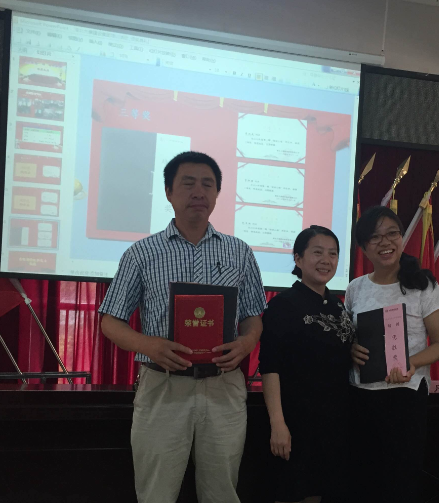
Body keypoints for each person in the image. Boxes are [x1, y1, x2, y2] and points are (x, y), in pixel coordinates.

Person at [99, 151, 267, 503]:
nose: (198, 192)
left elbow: (253, 316)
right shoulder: (141, 253)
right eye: (188, 183)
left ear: (217, 194)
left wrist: (247, 341)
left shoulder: (240, 252)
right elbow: (110, 321)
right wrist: (149, 345)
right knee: (156, 493)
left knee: (222, 492)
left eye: (207, 184)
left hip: (223, 386)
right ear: (168, 192)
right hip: (163, 385)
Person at [348, 206, 439, 503]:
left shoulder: (424, 286)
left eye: (392, 233)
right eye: (375, 237)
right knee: (362, 480)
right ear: (363, 247)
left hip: (405, 395)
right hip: (361, 395)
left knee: (400, 481)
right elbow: (349, 338)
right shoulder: (355, 288)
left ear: (402, 237)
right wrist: (351, 349)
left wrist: (412, 363)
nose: (385, 242)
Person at [259, 225, 355, 503]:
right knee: (293, 492)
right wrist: (278, 423)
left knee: (322, 492)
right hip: (296, 420)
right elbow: (270, 367)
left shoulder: (337, 306)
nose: (326, 260)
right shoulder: (283, 305)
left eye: (333, 254)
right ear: (298, 259)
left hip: (335, 421)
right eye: (317, 252)